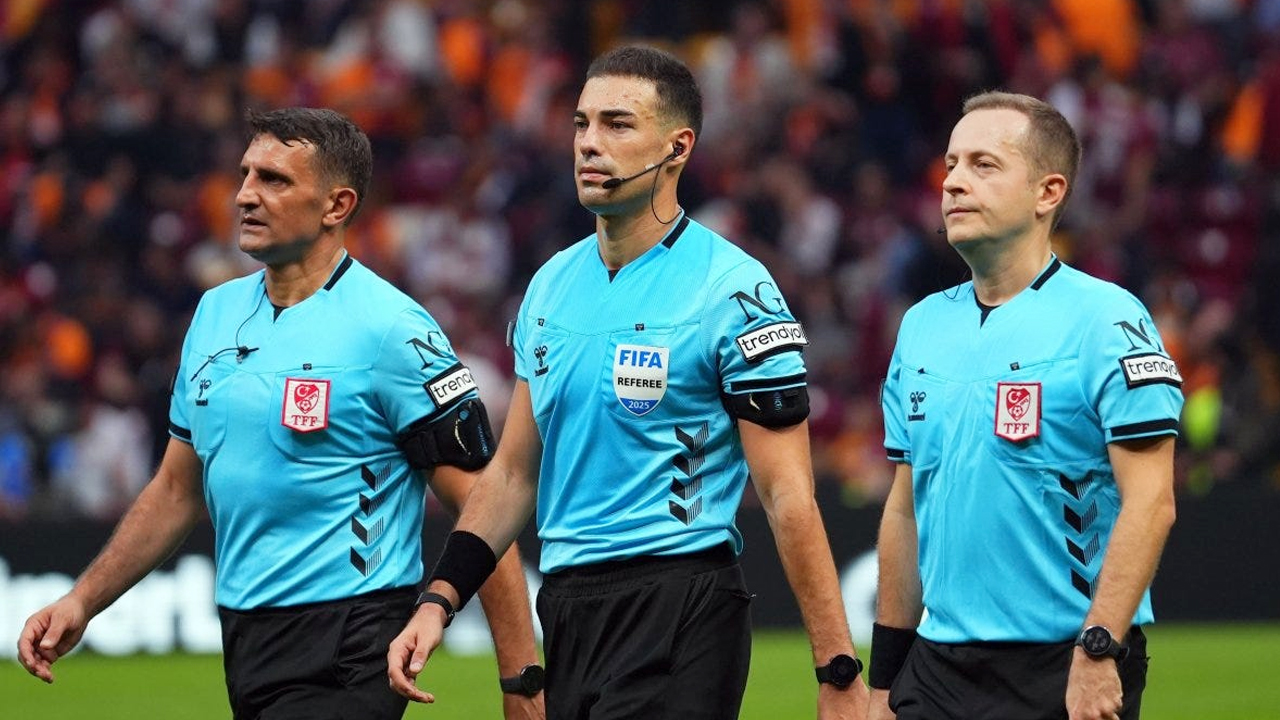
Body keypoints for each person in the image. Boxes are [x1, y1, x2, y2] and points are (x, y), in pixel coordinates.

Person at [388, 45, 869, 719]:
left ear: (677, 147)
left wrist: (837, 667)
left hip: (683, 604)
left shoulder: (733, 290)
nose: (589, 143)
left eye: (617, 124)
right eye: (581, 124)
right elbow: (513, 475)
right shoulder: (550, 286)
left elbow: (786, 492)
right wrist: (439, 600)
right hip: (569, 610)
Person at [17, 107, 544, 720]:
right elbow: (176, 489)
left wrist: (521, 679)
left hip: (352, 637)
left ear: (336, 206)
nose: (245, 194)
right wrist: (82, 600)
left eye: (274, 179)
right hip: (246, 637)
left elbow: (486, 503)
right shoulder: (213, 315)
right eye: (246, 174)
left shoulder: (391, 330)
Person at [871, 91, 1183, 720]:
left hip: (1065, 663)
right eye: (951, 164)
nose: (953, 182)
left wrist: (1099, 649)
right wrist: (882, 682)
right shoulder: (921, 325)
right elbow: (904, 510)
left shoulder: (1107, 320)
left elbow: (1151, 501)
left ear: (1048, 193)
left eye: (983, 165)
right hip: (935, 667)